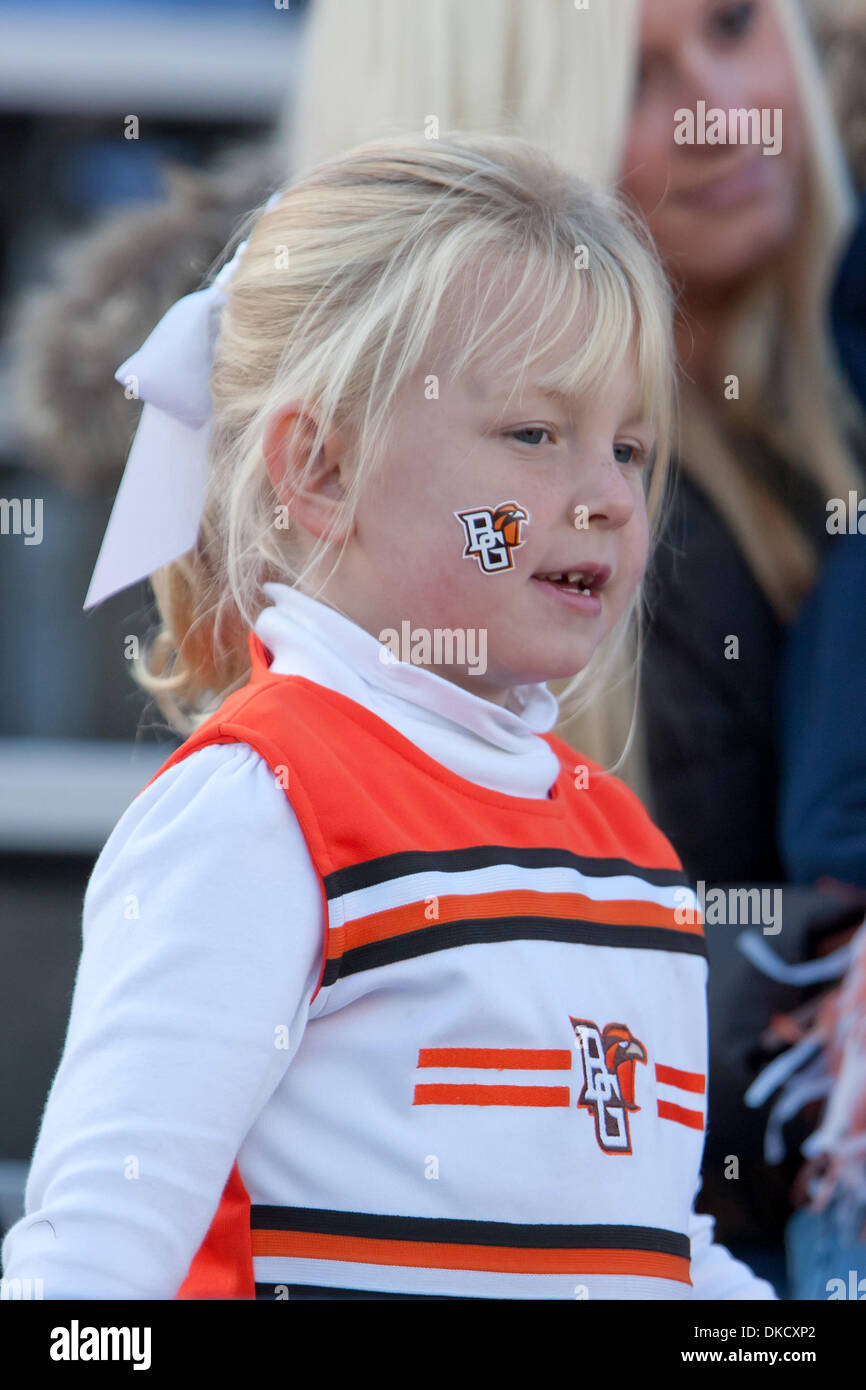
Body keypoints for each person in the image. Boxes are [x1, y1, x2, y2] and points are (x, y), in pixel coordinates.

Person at [0, 134, 778, 1300]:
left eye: (627, 446)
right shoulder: (263, 808)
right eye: (533, 433)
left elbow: (657, 1251)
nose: (610, 498)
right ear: (316, 470)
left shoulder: (632, 857)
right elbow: (97, 1255)